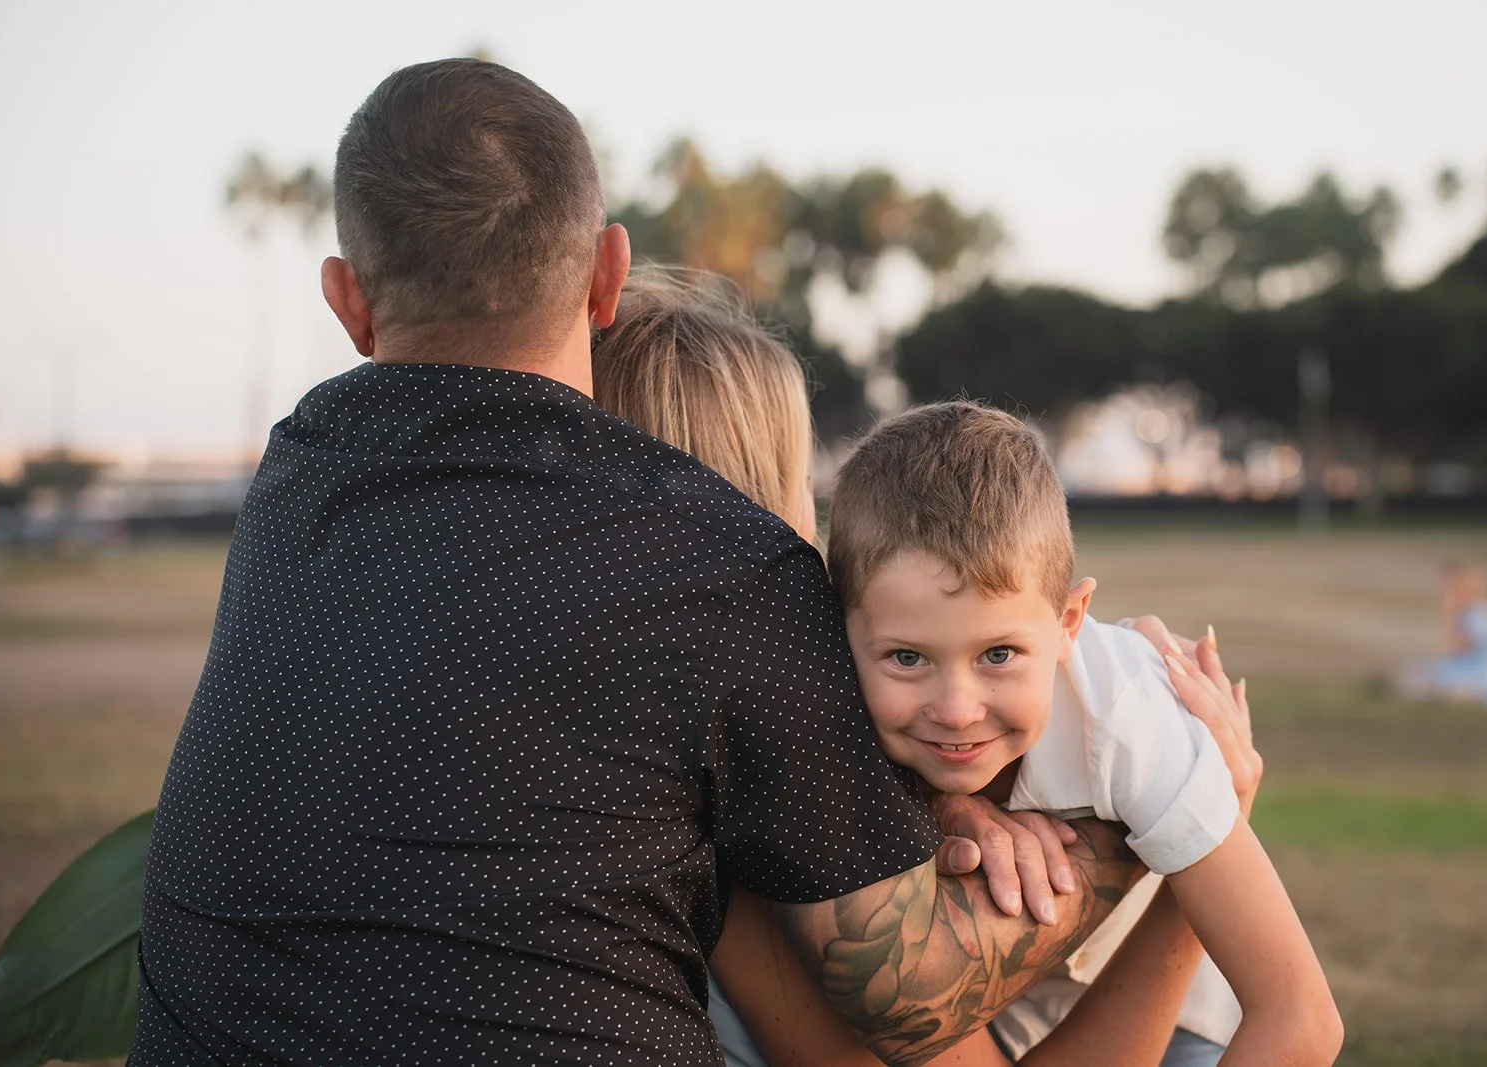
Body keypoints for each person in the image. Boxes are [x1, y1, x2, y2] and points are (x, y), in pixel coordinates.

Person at [131, 59, 1149, 1066]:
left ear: (348, 302)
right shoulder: (723, 567)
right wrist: (1155, 819)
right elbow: (912, 992)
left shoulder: (293, 481)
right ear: (608, 275)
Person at [589, 274, 1275, 1066]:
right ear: (759, 519)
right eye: (800, 486)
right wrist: (1188, 832)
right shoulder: (757, 787)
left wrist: (950, 803)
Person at [809, 402, 1342, 1066]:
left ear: (1069, 621)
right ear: (840, 630)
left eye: (998, 654)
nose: (955, 708)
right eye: (908, 658)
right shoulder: (818, 708)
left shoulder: (1130, 718)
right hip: (1004, 1021)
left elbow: (1300, 1016)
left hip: (1182, 1021)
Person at [1398, 560, 1487, 708]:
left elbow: (1458, 650)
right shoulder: (1485, 610)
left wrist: (1450, 614)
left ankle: (1461, 694)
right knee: (1417, 673)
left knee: (1415, 677)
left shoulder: (1476, 613)